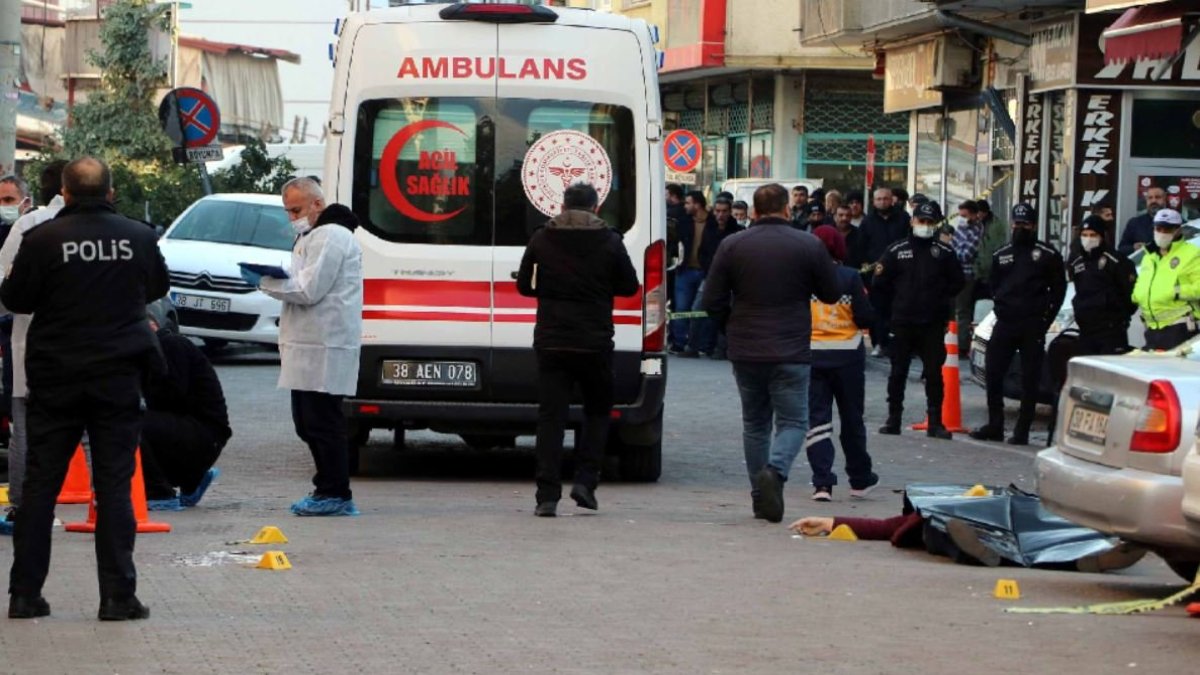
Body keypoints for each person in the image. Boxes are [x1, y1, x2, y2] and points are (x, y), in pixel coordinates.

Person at [2, 157, 169, 621]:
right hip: (118, 376)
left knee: (40, 487)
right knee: (114, 485)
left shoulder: (42, 238)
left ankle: (24, 594)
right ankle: (118, 597)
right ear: (111, 192)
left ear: (67, 194)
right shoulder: (138, 236)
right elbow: (158, 283)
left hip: (56, 375)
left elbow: (15, 298)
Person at [702, 183, 840, 523]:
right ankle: (775, 473)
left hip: (746, 346)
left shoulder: (732, 245)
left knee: (755, 423)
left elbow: (711, 300)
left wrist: (730, 327)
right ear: (787, 209)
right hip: (791, 347)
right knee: (794, 420)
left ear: (754, 211)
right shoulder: (808, 244)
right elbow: (832, 293)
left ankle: (758, 495)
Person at [516, 183, 639, 517]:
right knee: (597, 412)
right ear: (596, 208)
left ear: (562, 206)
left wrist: (550, 289)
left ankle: (546, 496)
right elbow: (630, 285)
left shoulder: (543, 237)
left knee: (551, 417)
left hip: (552, 340)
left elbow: (524, 285)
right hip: (595, 341)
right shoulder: (611, 241)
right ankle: (585, 482)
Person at [245, 178, 363, 517]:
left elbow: (309, 289)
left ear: (317, 204)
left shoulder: (331, 236)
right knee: (307, 422)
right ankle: (327, 488)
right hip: (311, 343)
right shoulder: (311, 236)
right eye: (288, 211)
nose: (292, 217)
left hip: (325, 344)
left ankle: (335, 492)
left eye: (296, 209)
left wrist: (265, 282)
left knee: (321, 422)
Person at [0, 161, 68, 538]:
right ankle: (109, 504)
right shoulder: (115, 230)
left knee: (26, 429)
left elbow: (4, 291)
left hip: (35, 348)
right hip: (92, 351)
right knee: (95, 434)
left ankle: (24, 509)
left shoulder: (29, 226)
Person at [970, 203, 1066, 446]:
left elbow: (1058, 290)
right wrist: (1001, 308)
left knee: (1030, 379)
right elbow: (994, 286)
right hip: (1006, 322)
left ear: (1033, 225)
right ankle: (995, 424)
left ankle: (1022, 430)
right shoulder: (1002, 254)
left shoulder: (1048, 254)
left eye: (1024, 224)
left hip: (1033, 324)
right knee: (993, 373)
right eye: (1016, 223)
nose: (1019, 228)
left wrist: (1046, 319)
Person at [872, 201, 964, 440]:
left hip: (931, 323)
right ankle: (894, 418)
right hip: (902, 321)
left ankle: (935, 421)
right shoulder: (896, 250)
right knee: (897, 372)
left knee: (934, 374)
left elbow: (957, 282)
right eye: (921, 221)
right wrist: (890, 311)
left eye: (929, 222)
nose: (925, 226)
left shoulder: (943, 253)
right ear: (912, 221)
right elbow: (879, 284)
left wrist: (940, 299)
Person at [806, 225, 877, 501]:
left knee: (817, 420)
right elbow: (864, 317)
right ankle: (859, 478)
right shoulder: (850, 278)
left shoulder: (804, 279)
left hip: (812, 356)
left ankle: (822, 483)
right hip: (848, 358)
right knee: (852, 418)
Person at [140, 305, 231, 511]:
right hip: (197, 432)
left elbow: (171, 396)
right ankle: (192, 478)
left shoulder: (171, 345)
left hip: (205, 433)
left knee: (130, 423)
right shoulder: (157, 349)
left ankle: (161, 493)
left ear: (151, 327)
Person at [1067, 215, 1138, 357]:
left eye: (1093, 235)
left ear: (1102, 236)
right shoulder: (1076, 261)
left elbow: (1129, 295)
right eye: (1084, 235)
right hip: (1086, 328)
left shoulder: (1117, 260)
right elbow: (1077, 288)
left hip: (1111, 330)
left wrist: (1118, 317)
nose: (1088, 238)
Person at [1132, 208, 1200, 350]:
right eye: (1159, 228)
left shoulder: (1192, 254)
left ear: (1178, 230)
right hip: (1151, 328)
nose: (1162, 233)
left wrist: (1175, 291)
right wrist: (1137, 295)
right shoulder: (1149, 257)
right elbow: (1143, 282)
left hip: (1179, 327)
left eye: (1167, 229)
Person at [858, 187, 911, 357]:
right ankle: (879, 343)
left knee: (899, 310)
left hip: (900, 273)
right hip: (876, 275)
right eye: (879, 199)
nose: (882, 202)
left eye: (885, 198)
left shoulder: (903, 219)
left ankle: (900, 344)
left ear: (892, 200)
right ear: (874, 201)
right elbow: (862, 247)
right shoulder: (868, 222)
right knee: (877, 310)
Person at [669, 190, 715, 357]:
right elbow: (675, 243)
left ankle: (699, 343)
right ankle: (679, 343)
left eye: (688, 203)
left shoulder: (713, 222)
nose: (685, 206)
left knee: (701, 309)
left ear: (697, 204)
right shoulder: (684, 221)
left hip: (705, 271)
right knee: (681, 308)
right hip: (685, 270)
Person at [699, 198, 745, 360]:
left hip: (731, 279)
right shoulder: (710, 228)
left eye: (724, 211)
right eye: (717, 211)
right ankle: (704, 345)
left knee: (728, 312)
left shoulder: (736, 230)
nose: (720, 215)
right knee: (703, 307)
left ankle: (722, 347)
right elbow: (703, 251)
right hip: (711, 277)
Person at [950, 200, 984, 354]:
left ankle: (962, 345)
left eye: (964, 215)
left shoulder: (976, 230)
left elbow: (965, 255)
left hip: (966, 274)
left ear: (973, 214)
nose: (962, 218)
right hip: (954, 272)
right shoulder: (961, 227)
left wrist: (951, 251)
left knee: (962, 310)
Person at [1117, 185, 1167, 256]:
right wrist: (1134, 247)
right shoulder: (1135, 223)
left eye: (1157, 197)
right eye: (1150, 198)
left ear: (1164, 199)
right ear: (1146, 200)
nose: (1153, 200)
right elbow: (1121, 248)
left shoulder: (1175, 221)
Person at [832, 204, 861, 269]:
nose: (844, 218)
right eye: (841, 215)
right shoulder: (828, 233)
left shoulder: (859, 233)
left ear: (851, 217)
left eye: (848, 215)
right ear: (835, 217)